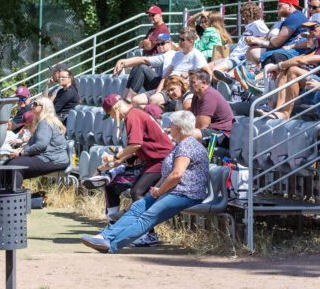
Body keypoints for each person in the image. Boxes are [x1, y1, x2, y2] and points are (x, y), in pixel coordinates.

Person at [81, 110, 209, 253]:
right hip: (172, 191)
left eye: (171, 124)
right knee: (137, 208)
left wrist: (160, 191)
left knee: (148, 216)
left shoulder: (187, 146)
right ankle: (103, 237)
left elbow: (177, 174)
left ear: (178, 128)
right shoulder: (181, 145)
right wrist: (157, 189)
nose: (168, 127)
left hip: (186, 194)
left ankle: (111, 245)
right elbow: (168, 174)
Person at [101, 94, 174, 246]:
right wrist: (120, 159)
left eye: (111, 114)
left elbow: (135, 144)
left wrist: (116, 157)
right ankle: (148, 234)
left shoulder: (132, 116)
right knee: (138, 193)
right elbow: (139, 146)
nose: (113, 118)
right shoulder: (135, 114)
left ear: (116, 108)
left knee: (137, 193)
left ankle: (147, 234)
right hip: (156, 159)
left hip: (162, 159)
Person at [262, 13, 320, 119]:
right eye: (308, 29)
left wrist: (279, 66)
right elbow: (299, 58)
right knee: (286, 68)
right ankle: (277, 111)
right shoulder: (316, 45)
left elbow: (303, 60)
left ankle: (285, 113)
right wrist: (281, 67)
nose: (309, 31)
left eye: (312, 27)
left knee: (292, 69)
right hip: (313, 85)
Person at [0, 98, 70, 189]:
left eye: (35, 104)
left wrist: (21, 153)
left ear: (44, 108)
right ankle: (0, 194)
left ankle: (13, 197)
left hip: (53, 159)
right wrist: (22, 149)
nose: (32, 106)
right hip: (48, 157)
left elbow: (41, 145)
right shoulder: (44, 121)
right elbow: (36, 142)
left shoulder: (45, 122)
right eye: (32, 103)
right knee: (7, 164)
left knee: (15, 165)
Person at [211, 2, 269, 82]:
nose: (243, 18)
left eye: (244, 15)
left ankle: (229, 85)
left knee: (214, 73)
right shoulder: (249, 26)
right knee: (208, 70)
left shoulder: (258, 24)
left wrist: (256, 40)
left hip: (240, 57)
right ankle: (228, 83)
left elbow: (268, 37)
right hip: (233, 56)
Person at [245, 0, 307, 64]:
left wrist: (260, 41)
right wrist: (256, 41)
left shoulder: (293, 18)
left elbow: (276, 43)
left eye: (280, 6)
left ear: (289, 6)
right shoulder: (296, 16)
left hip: (292, 52)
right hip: (291, 50)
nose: (277, 8)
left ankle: (256, 71)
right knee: (253, 50)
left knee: (253, 51)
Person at [189, 69, 234, 143]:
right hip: (209, 132)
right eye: (189, 81)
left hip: (222, 135)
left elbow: (201, 126)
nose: (189, 85)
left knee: (193, 134)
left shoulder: (210, 96)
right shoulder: (196, 95)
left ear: (203, 83)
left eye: (192, 82)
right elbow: (191, 119)